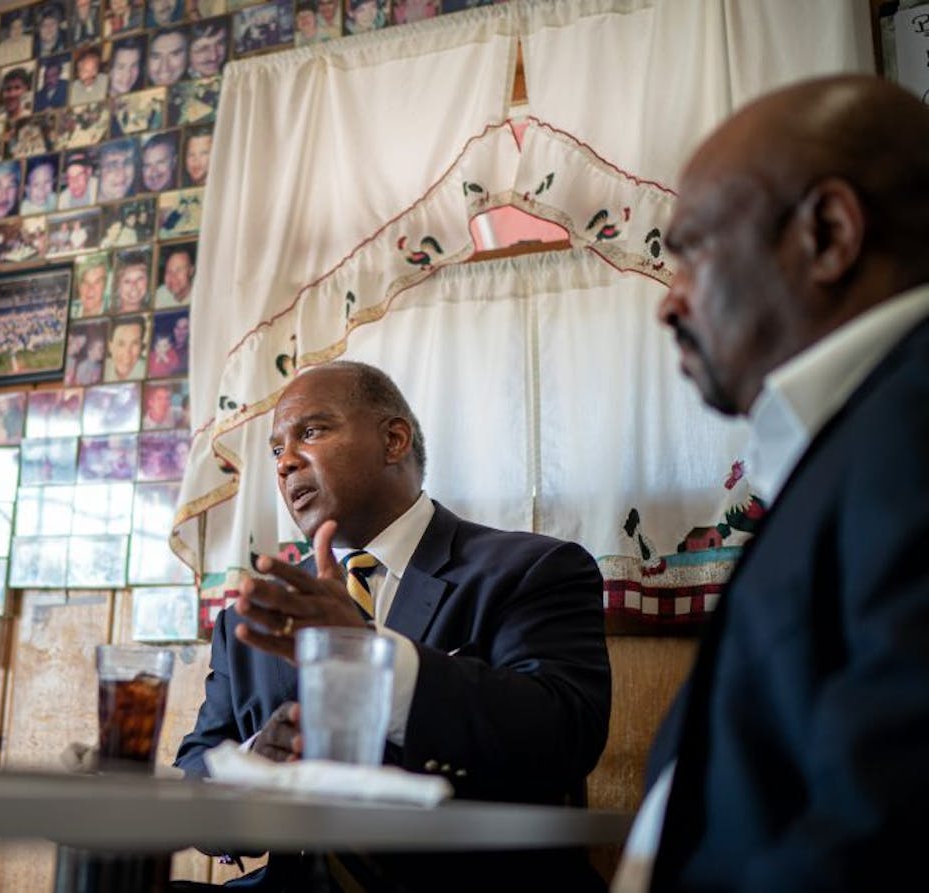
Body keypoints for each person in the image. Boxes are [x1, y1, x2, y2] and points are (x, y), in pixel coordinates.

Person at [610, 75, 929, 893]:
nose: (667, 303)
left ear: (827, 233)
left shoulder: (912, 425)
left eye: (691, 251)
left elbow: (886, 823)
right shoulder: (855, 438)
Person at [174, 361, 611, 891]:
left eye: (310, 432)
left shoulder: (530, 571)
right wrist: (253, 767)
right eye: (275, 450)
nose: (285, 462)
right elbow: (197, 774)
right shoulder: (254, 616)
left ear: (394, 440)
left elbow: (564, 737)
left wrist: (368, 654)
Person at [104, 315, 147, 381]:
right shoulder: (101, 370)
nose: (127, 353)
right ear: (110, 347)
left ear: (141, 346)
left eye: (135, 343)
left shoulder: (150, 372)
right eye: (121, 344)